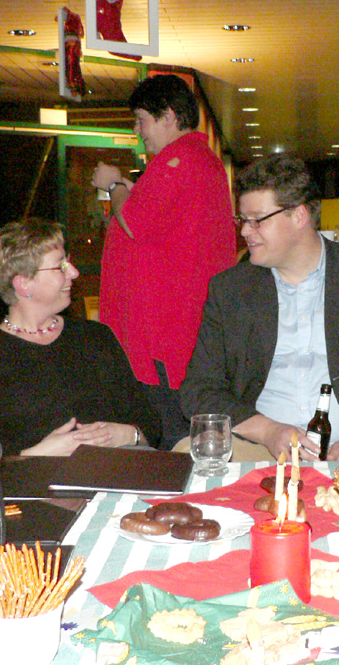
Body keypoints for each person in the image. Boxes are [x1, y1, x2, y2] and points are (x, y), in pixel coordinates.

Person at [180, 154, 339, 461]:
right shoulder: (231, 290)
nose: (245, 231)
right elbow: (198, 390)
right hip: (261, 448)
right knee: (186, 453)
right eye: (243, 220)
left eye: (257, 220)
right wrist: (267, 431)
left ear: (299, 216)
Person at [91, 74, 236, 450]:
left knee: (170, 439)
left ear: (169, 116)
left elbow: (135, 220)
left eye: (141, 120)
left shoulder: (179, 159)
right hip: (177, 331)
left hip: (165, 338)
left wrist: (114, 184)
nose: (138, 131)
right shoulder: (197, 161)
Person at [0, 218, 161, 456]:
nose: (74, 273)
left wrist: (128, 434)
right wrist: (37, 454)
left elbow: (151, 424)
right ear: (24, 284)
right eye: (60, 266)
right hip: (34, 479)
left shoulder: (95, 337)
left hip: (114, 472)